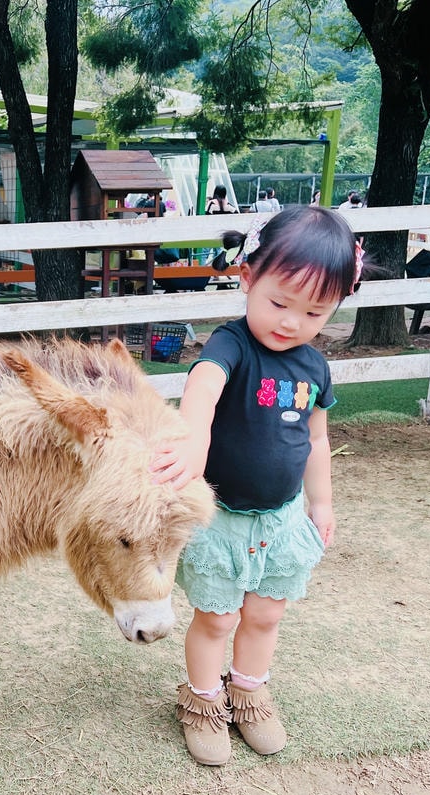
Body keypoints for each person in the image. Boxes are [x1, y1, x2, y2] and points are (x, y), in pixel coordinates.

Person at [151, 205, 362, 766]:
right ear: (247, 278)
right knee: (217, 617)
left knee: (267, 614)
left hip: (282, 518)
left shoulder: (315, 366)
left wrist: (322, 503)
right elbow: (203, 386)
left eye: (316, 310)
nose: (292, 322)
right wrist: (193, 439)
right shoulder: (232, 345)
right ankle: (201, 700)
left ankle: (248, 690)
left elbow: (317, 439)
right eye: (279, 302)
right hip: (221, 519)